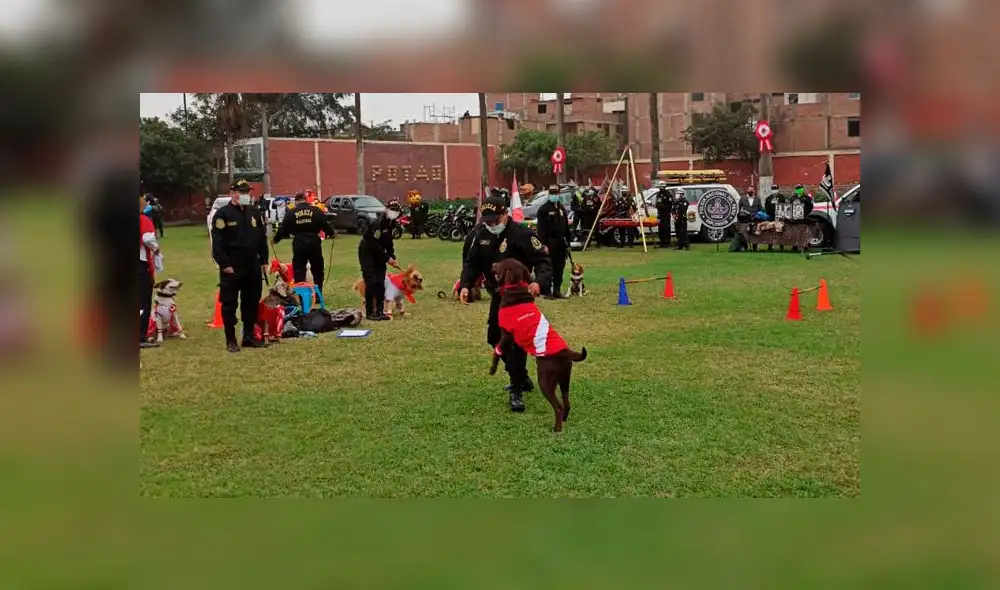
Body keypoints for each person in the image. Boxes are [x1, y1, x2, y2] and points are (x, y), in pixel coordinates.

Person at [460, 195, 552, 412]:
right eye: (488, 221)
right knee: (494, 337)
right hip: (498, 297)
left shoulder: (523, 235)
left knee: (515, 343)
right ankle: (521, 376)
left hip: (519, 299)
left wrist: (539, 283)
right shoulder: (481, 235)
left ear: (505, 214)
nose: (491, 225)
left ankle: (517, 389)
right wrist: (465, 284)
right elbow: (472, 263)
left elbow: (543, 261)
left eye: (495, 220)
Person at [211, 179, 270, 352]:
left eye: (246, 192)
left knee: (251, 300)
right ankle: (231, 340)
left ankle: (248, 336)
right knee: (229, 303)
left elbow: (261, 238)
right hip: (232, 263)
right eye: (241, 192)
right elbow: (217, 244)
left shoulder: (254, 212)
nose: (245, 195)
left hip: (252, 262)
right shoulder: (223, 214)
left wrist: (264, 260)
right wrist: (224, 264)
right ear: (232, 193)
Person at [272, 192, 336, 291]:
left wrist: (275, 240)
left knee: (299, 270)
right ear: (306, 200)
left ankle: (301, 294)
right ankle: (318, 293)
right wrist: (332, 233)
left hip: (299, 242)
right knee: (317, 269)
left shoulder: (291, 213)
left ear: (296, 202)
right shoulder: (316, 210)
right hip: (314, 242)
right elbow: (325, 224)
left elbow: (283, 229)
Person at [358, 199, 400, 321]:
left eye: (396, 211)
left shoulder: (392, 223)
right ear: (386, 209)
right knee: (371, 282)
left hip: (380, 253)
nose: (394, 213)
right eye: (392, 210)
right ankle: (371, 312)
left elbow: (388, 241)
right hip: (368, 252)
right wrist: (387, 258)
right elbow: (373, 244)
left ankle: (380, 311)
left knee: (381, 282)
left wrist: (392, 255)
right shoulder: (378, 223)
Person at [536, 183, 570, 298]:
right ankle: (547, 291)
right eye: (552, 194)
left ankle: (557, 290)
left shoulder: (561, 207)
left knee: (559, 267)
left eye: (556, 193)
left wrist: (568, 242)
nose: (554, 196)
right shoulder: (543, 209)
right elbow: (541, 229)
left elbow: (566, 226)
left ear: (559, 194)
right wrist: (543, 244)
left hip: (561, 242)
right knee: (549, 267)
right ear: (549, 194)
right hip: (549, 242)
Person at [139, 197, 161, 349]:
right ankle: (140, 336)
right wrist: (155, 248)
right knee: (143, 301)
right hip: (140, 265)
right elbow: (148, 239)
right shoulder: (143, 219)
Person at [654, 181, 673, 248]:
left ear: (664, 187)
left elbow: (670, 204)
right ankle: (662, 242)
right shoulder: (658, 194)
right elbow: (657, 204)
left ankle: (667, 243)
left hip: (666, 214)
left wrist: (663, 206)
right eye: (659, 187)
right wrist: (661, 205)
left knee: (666, 228)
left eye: (661, 187)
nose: (660, 188)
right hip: (660, 214)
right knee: (660, 229)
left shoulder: (668, 194)